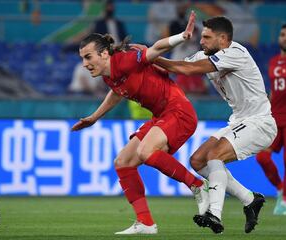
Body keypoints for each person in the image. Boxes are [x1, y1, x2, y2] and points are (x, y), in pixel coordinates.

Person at [72, 11, 209, 235]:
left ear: (104, 53)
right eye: (82, 59)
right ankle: (145, 222)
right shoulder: (109, 74)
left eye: (88, 57)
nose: (85, 63)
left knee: (146, 151)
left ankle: (198, 186)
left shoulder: (124, 60)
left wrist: (181, 37)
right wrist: (94, 117)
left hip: (178, 111)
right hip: (161, 116)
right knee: (123, 162)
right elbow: (117, 93)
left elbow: (153, 50)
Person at [153, 16, 277, 234]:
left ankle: (214, 214)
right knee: (198, 160)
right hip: (239, 120)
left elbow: (186, 69)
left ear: (223, 39)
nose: (202, 41)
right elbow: (177, 67)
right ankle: (250, 199)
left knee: (215, 156)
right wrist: (142, 57)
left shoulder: (236, 53)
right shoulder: (204, 55)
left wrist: (152, 58)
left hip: (260, 122)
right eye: (202, 37)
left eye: (207, 37)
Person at [256, 23, 286, 216]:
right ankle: (280, 188)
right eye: (282, 34)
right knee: (262, 157)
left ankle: (285, 202)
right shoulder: (274, 61)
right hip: (274, 118)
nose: (285, 38)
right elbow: (275, 90)